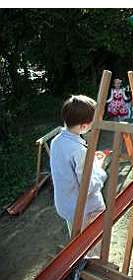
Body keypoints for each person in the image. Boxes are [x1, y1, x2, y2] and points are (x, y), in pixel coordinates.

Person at [50, 95, 107, 242]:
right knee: (91, 244)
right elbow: (88, 186)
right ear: (83, 126)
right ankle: (87, 261)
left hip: (66, 205)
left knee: (76, 238)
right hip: (84, 209)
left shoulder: (56, 141)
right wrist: (99, 167)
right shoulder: (79, 151)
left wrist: (91, 159)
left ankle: (81, 259)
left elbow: (68, 167)